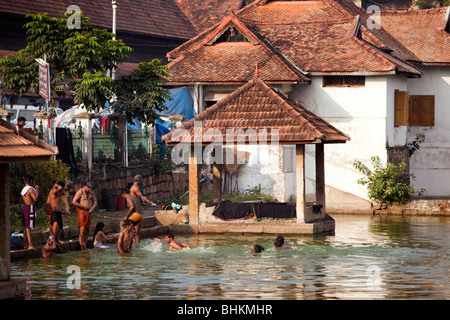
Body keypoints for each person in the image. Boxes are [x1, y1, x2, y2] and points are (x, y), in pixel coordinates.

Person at [72, 181, 98, 250]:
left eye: (91, 189)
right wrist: (83, 207)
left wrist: (92, 208)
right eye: (90, 189)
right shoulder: (80, 191)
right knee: (82, 229)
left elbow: (95, 201)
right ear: (87, 186)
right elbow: (74, 201)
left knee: (87, 228)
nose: (90, 190)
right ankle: (81, 246)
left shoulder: (91, 193)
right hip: (81, 211)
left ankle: (85, 244)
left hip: (88, 212)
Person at [20, 174, 39, 250]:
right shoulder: (30, 189)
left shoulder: (24, 188)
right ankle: (30, 244)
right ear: (31, 181)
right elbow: (35, 199)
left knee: (25, 226)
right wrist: (37, 190)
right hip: (30, 207)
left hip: (25, 207)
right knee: (28, 227)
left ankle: (25, 244)